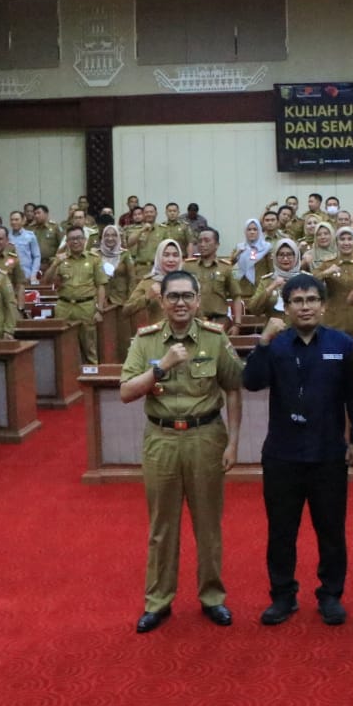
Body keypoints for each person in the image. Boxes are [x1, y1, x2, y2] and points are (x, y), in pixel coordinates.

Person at [243, 273, 353, 627]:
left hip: (328, 453)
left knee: (331, 531)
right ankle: (283, 596)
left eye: (311, 300)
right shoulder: (277, 344)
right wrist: (263, 342)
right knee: (281, 531)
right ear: (287, 307)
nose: (305, 307)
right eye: (297, 301)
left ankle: (330, 595)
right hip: (282, 454)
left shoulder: (342, 344)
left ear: (323, 305)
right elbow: (251, 382)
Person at [121, 269, 244, 633]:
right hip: (161, 440)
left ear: (197, 300)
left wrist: (234, 442)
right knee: (162, 527)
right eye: (172, 296)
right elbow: (126, 391)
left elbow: (235, 386)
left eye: (186, 296)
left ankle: (212, 598)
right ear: (161, 300)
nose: (179, 303)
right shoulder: (145, 341)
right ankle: (158, 601)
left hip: (205, 437)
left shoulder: (213, 339)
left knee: (208, 525)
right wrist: (163, 367)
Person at [48, 226, 108, 365]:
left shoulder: (94, 259)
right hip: (64, 306)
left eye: (79, 238)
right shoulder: (61, 260)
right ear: (67, 242)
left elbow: (101, 285)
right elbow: (47, 281)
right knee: (62, 347)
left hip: (86, 307)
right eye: (72, 239)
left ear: (85, 240)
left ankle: (92, 378)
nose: (76, 242)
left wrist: (99, 310)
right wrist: (55, 264)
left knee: (89, 347)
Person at [316, 227, 353, 335]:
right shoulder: (327, 264)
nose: (346, 243)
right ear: (337, 243)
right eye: (342, 239)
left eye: (349, 239)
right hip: (334, 321)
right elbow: (312, 281)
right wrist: (326, 273)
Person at [127, 239, 185, 331]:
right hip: (157, 337)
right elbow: (127, 310)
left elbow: (198, 314)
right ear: (158, 257)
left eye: (175, 255)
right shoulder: (149, 282)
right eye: (166, 255)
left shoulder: (187, 281)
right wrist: (147, 297)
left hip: (183, 336)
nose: (171, 260)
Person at [189, 228, 240, 328]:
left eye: (207, 241)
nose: (202, 244)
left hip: (219, 321)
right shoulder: (188, 267)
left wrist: (237, 324)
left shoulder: (225, 267)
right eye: (200, 241)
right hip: (193, 321)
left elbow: (236, 296)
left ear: (217, 245)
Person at [7, 209, 42, 282]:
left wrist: (33, 274)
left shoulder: (30, 236)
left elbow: (36, 256)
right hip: (10, 275)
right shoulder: (6, 236)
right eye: (12, 220)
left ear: (23, 221)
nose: (13, 222)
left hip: (27, 275)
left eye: (16, 220)